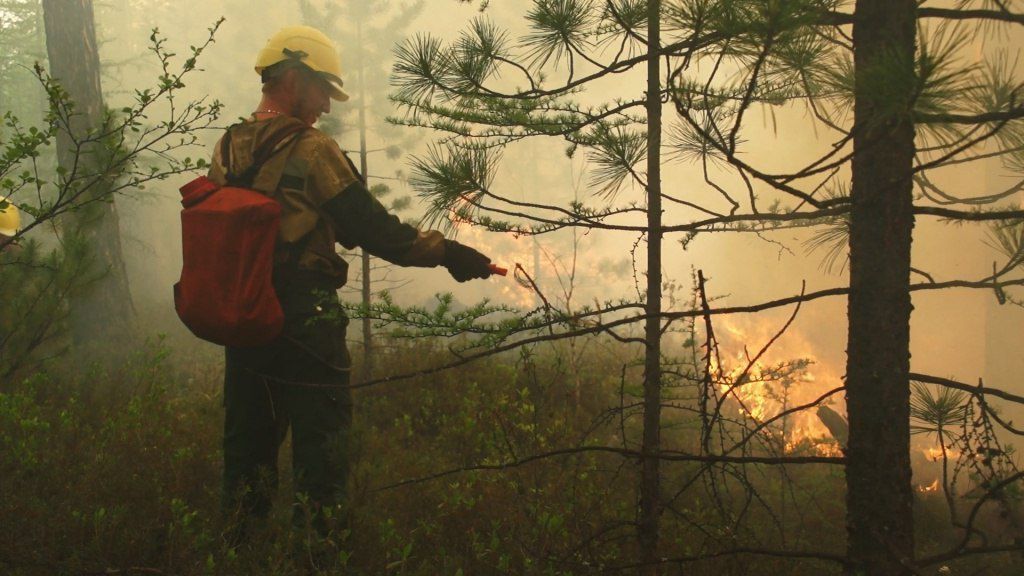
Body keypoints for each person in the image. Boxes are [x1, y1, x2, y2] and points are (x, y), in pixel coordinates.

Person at [208, 25, 493, 538]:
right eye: (322, 90)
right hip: (304, 314)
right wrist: (449, 253)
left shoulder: (228, 146)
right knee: (323, 447)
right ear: (294, 79)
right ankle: (319, 554)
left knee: (247, 445)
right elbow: (375, 230)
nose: (326, 106)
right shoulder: (313, 149)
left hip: (245, 311)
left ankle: (238, 547)